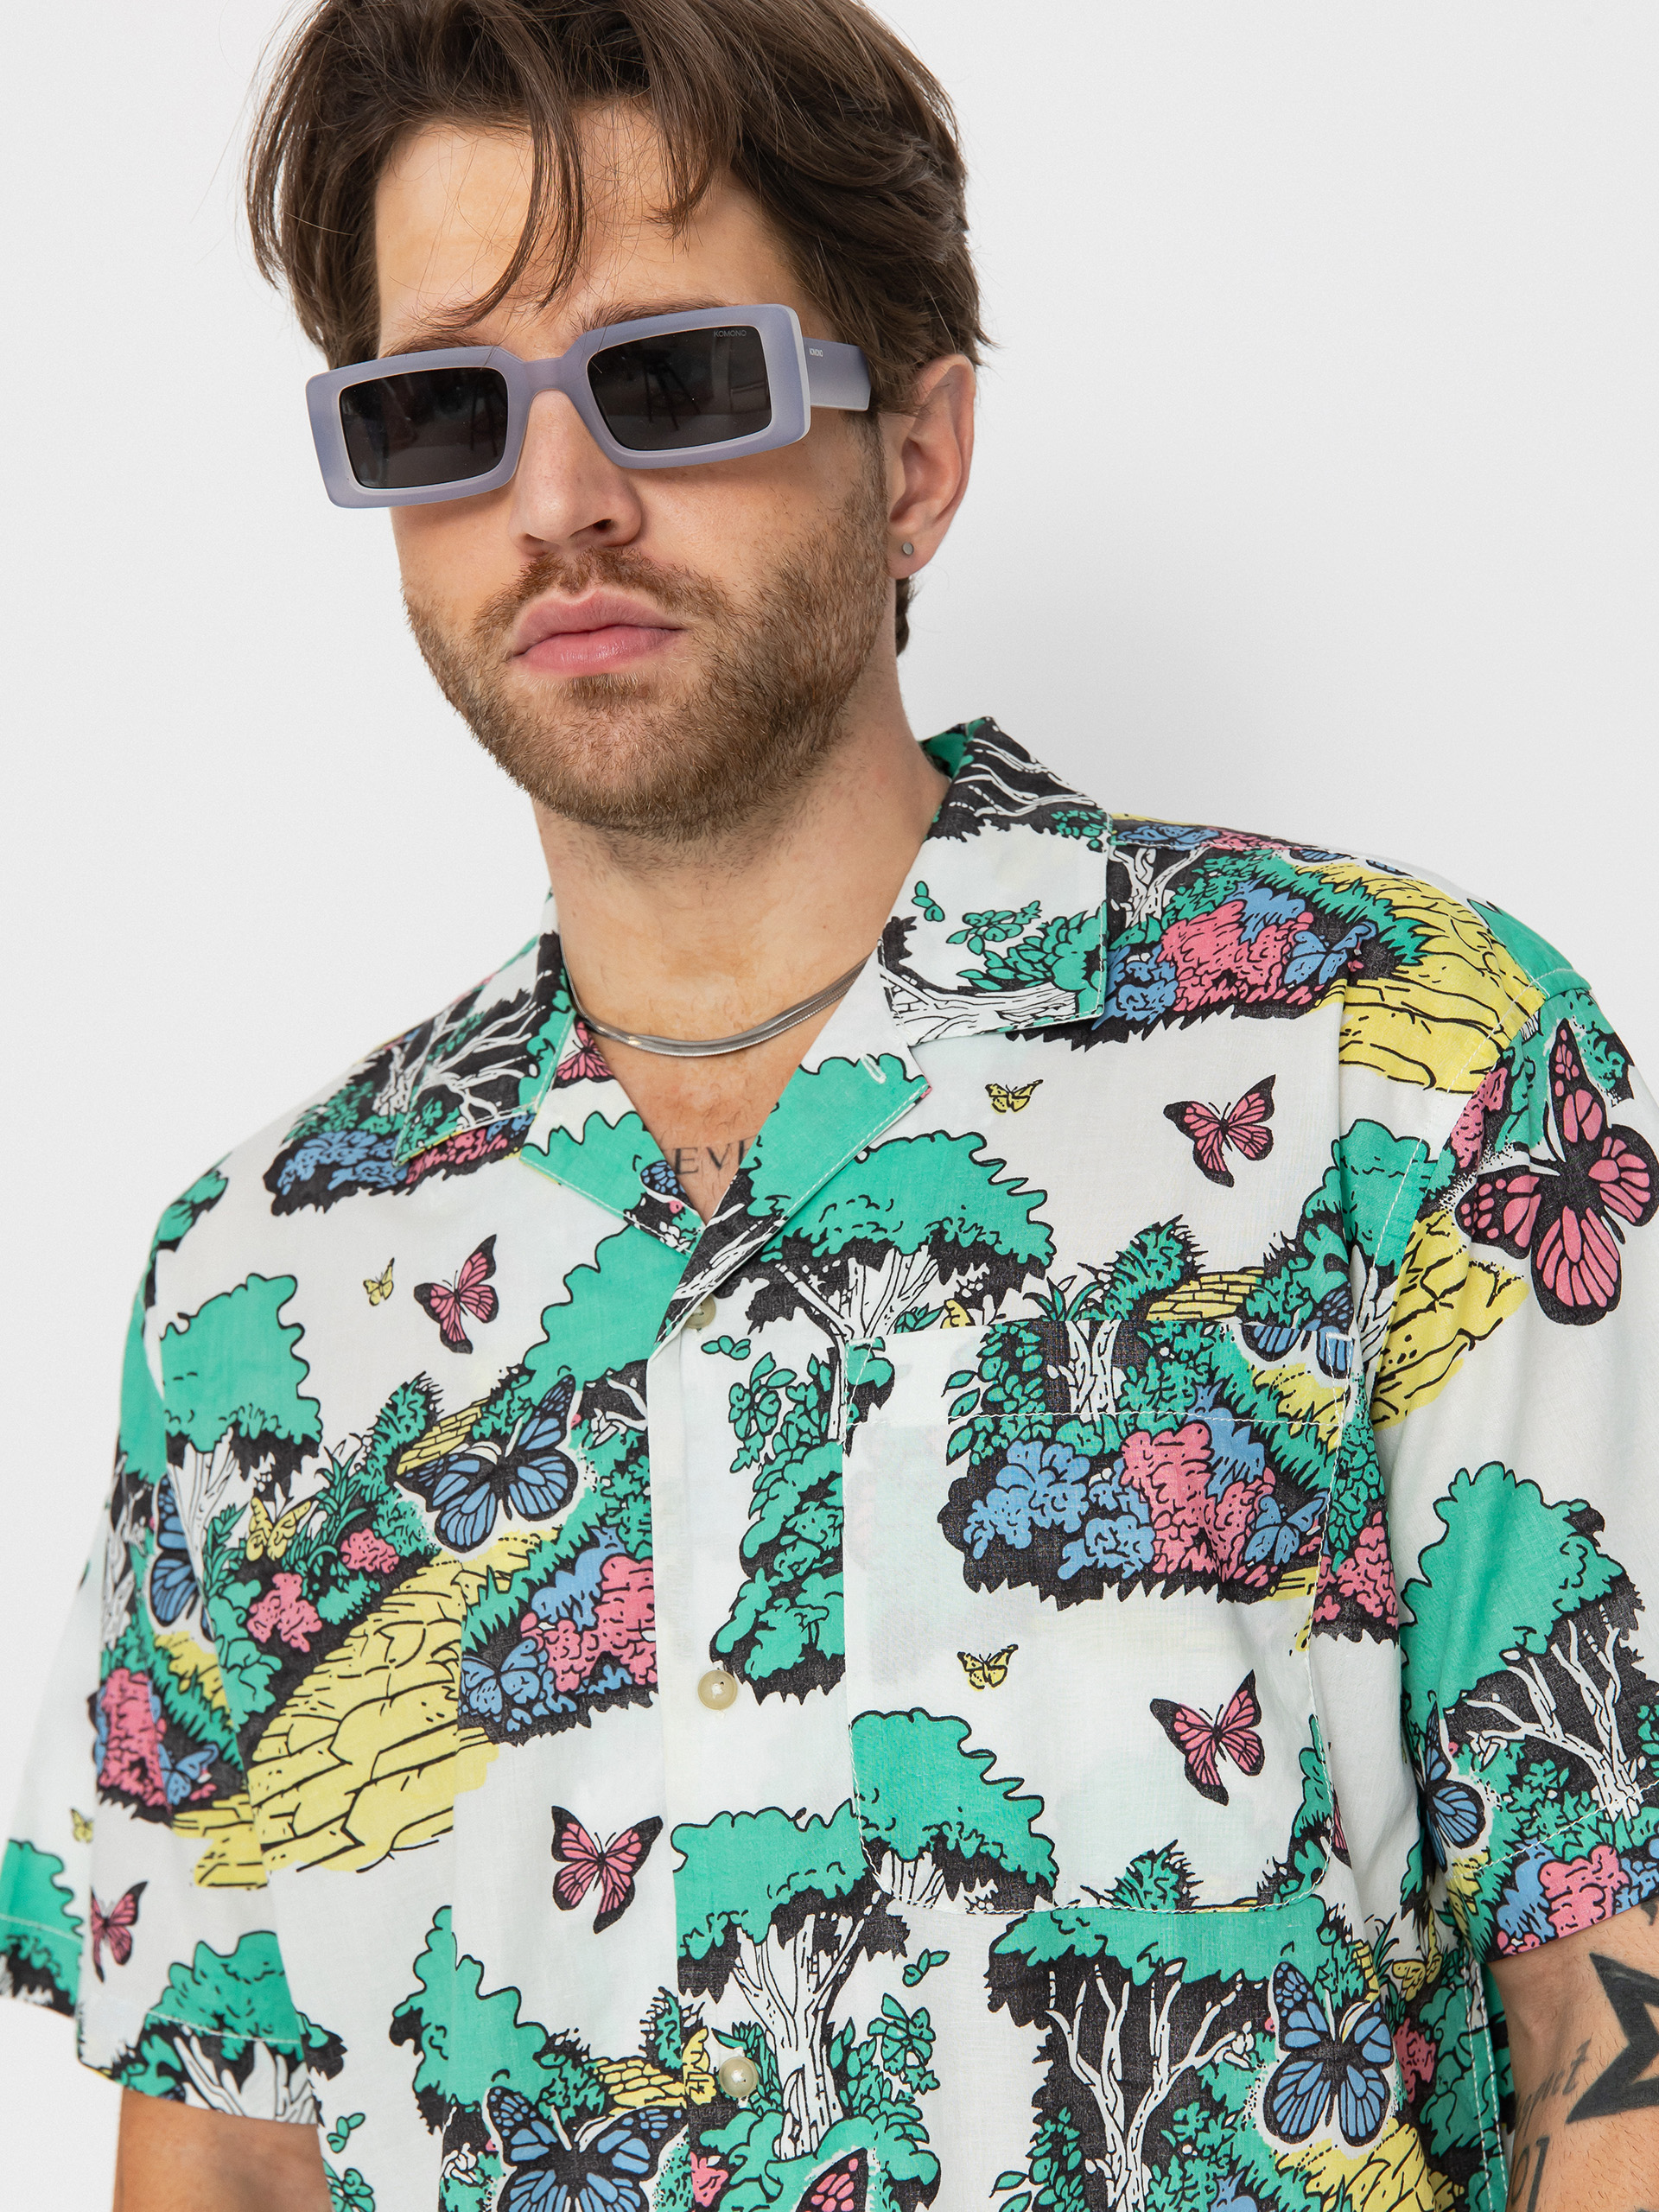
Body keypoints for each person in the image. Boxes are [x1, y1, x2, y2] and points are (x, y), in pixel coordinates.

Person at [4, 3, 1657, 2207]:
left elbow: (1611, 2026)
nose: (559, 502)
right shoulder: (259, 1285)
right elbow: (224, 2157)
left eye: (673, 381)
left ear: (918, 456)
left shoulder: (1409, 1073)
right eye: (440, 412)